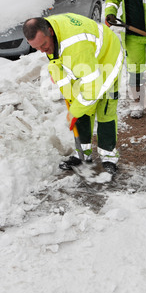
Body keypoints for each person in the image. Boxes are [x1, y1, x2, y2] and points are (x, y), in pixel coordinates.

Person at [23, 13, 124, 174]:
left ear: (49, 31)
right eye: (37, 48)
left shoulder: (76, 48)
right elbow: (57, 60)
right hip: (85, 57)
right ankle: (83, 155)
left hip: (107, 57)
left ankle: (108, 157)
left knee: (104, 109)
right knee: (80, 105)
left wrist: (74, 112)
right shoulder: (51, 33)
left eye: (44, 45)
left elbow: (93, 88)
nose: (42, 51)